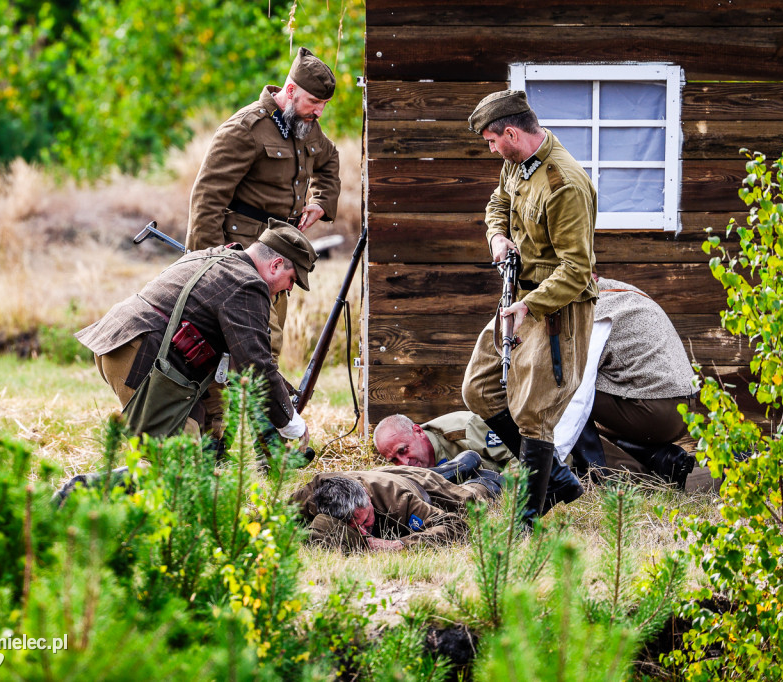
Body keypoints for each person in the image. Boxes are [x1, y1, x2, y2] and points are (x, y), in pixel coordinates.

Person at [185, 46, 341, 437]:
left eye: (322, 105)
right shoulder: (245, 129)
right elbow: (207, 198)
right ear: (290, 91)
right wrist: (206, 264)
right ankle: (215, 439)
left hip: (279, 264)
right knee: (222, 354)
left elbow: (330, 160)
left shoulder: (306, 127)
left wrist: (321, 203)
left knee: (264, 351)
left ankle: (263, 441)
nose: (319, 111)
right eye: (313, 102)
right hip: (237, 259)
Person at [460, 89, 598, 523]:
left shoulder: (564, 185)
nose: (491, 149)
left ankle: (528, 519)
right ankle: (557, 478)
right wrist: (497, 236)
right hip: (517, 295)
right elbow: (498, 201)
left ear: (513, 133)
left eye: (491, 141)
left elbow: (578, 269)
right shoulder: (517, 163)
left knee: (532, 412)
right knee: (479, 387)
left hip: (556, 308)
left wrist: (530, 307)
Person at [75, 222, 317, 450]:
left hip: (115, 339)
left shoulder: (213, 255)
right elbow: (255, 366)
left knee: (202, 448)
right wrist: (289, 421)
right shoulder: (248, 285)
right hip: (139, 355)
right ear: (275, 265)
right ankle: (83, 487)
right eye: (292, 280)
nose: (289, 289)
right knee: (180, 470)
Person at [557, 274, 708, 490]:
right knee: (593, 422)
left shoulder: (589, 308)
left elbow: (574, 386)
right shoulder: (619, 293)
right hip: (682, 407)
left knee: (559, 390)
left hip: (656, 409)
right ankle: (664, 460)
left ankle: (609, 477)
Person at [291, 466, 499, 552]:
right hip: (378, 472)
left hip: (418, 484)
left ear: (366, 496)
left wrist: (400, 544)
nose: (364, 532)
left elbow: (455, 526)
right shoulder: (313, 494)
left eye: (365, 521)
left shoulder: (398, 500)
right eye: (354, 526)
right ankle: (446, 468)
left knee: (471, 500)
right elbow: (272, 518)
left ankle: (479, 479)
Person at [372, 411, 512, 472]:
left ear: (418, 432)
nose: (404, 463)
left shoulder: (466, 429)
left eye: (403, 450)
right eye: (394, 460)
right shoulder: (406, 473)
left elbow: (518, 456)